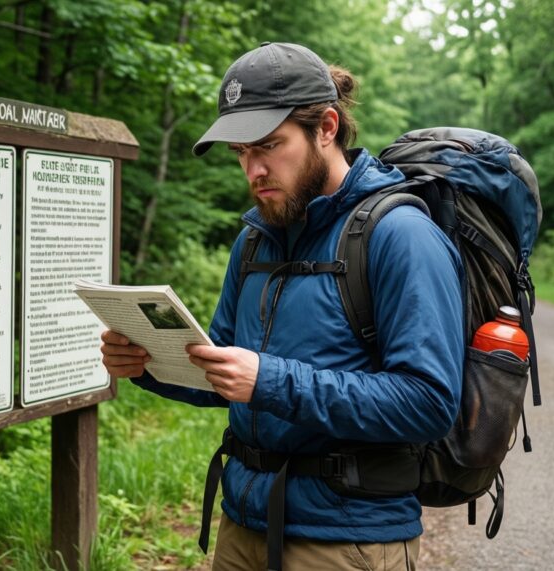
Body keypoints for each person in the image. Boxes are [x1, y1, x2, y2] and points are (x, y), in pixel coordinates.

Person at [100, 42, 464, 571]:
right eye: (241, 153)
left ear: (327, 128)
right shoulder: (254, 242)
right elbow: (223, 368)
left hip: (345, 541)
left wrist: (268, 380)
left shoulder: (400, 235)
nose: (254, 170)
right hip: (242, 522)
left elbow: (428, 403)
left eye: (269, 145)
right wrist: (149, 365)